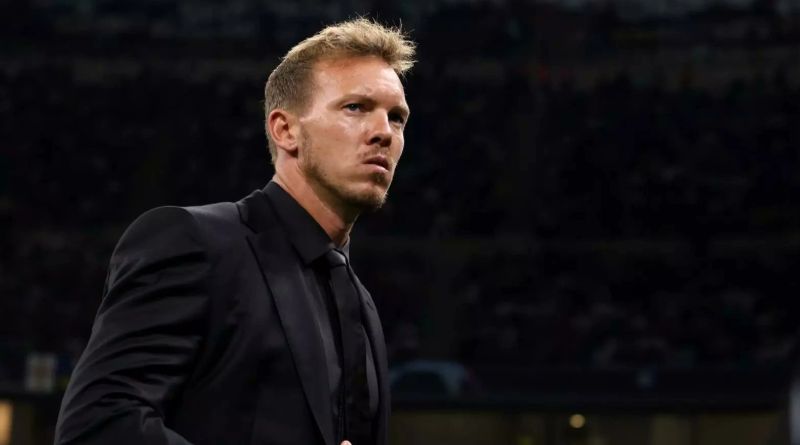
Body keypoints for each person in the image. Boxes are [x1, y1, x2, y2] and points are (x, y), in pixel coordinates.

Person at [55, 18, 415, 445]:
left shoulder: (361, 302)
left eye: (397, 118)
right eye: (355, 107)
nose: (384, 133)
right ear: (285, 130)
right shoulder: (195, 242)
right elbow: (97, 425)